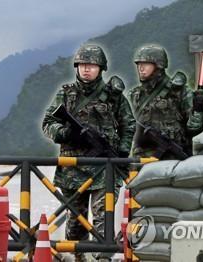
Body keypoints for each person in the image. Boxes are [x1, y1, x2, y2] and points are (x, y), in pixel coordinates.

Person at [42, 44, 135, 261]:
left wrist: (122, 150)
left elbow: (128, 124)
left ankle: (103, 258)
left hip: (104, 168)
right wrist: (65, 133)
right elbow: (48, 123)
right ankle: (78, 258)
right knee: (75, 221)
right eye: (83, 65)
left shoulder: (114, 97)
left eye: (91, 66)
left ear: (100, 68)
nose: (86, 69)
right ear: (77, 67)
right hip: (73, 168)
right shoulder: (66, 93)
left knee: (103, 218)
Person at [128, 44, 203, 159]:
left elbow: (194, 128)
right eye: (139, 64)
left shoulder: (180, 92)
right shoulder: (135, 95)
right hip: (141, 159)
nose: (141, 68)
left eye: (145, 64)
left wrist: (199, 109)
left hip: (172, 159)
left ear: (159, 66)